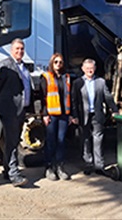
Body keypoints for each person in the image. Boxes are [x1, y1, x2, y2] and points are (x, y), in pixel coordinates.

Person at [0, 38, 32, 187]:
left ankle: (7, 169)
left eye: (22, 49)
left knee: (13, 141)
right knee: (12, 141)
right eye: (17, 49)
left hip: (21, 110)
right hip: (9, 110)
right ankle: (14, 174)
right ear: (11, 50)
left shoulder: (24, 67)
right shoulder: (5, 65)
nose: (20, 51)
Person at [71, 58, 118, 176]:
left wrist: (114, 110)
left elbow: (108, 97)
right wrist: (74, 115)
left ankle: (99, 165)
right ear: (83, 69)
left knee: (98, 139)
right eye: (87, 68)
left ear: (95, 68)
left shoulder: (101, 82)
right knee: (85, 139)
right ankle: (88, 163)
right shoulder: (77, 83)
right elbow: (74, 101)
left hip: (97, 115)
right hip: (83, 115)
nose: (89, 70)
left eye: (91, 68)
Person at [40, 53, 77, 181]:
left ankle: (60, 167)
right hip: (51, 115)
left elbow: (70, 97)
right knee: (51, 141)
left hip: (63, 115)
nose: (58, 64)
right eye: (56, 62)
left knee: (61, 141)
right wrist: (45, 114)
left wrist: (71, 115)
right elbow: (43, 97)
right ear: (51, 63)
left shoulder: (66, 77)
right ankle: (49, 167)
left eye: (60, 62)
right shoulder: (46, 77)